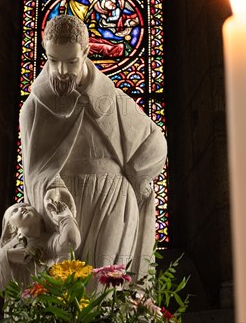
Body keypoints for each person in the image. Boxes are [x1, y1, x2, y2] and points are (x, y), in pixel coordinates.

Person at [20, 15, 167, 278]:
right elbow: (33, 175)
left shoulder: (112, 100)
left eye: (71, 61)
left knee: (108, 290)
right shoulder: (34, 108)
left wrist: (134, 175)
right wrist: (54, 196)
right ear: (45, 53)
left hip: (113, 202)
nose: (62, 71)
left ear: (87, 52)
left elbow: (154, 142)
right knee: (64, 295)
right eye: (54, 61)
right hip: (65, 208)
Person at [0, 199, 80, 290]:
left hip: (53, 298)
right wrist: (8, 256)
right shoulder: (10, 247)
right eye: (14, 211)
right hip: (24, 301)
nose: (22, 209)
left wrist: (66, 218)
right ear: (11, 227)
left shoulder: (50, 239)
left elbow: (70, 242)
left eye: (26, 206)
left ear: (39, 215)